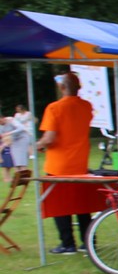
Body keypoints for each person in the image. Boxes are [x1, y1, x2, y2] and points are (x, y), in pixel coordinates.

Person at [33, 72, 95, 254]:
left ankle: (68, 243)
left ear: (61, 87)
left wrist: (38, 145)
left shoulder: (54, 108)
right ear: (79, 87)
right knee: (82, 205)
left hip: (59, 165)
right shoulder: (86, 106)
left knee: (60, 205)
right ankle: (88, 241)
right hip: (80, 162)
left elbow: (50, 138)